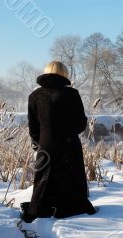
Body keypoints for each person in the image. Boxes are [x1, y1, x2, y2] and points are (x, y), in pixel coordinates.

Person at [21, 61, 97, 223]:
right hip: (69, 144)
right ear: (64, 74)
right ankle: (70, 207)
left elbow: (32, 125)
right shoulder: (72, 94)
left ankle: (39, 208)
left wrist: (37, 142)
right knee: (71, 176)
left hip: (45, 144)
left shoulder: (34, 96)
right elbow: (80, 123)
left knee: (43, 178)